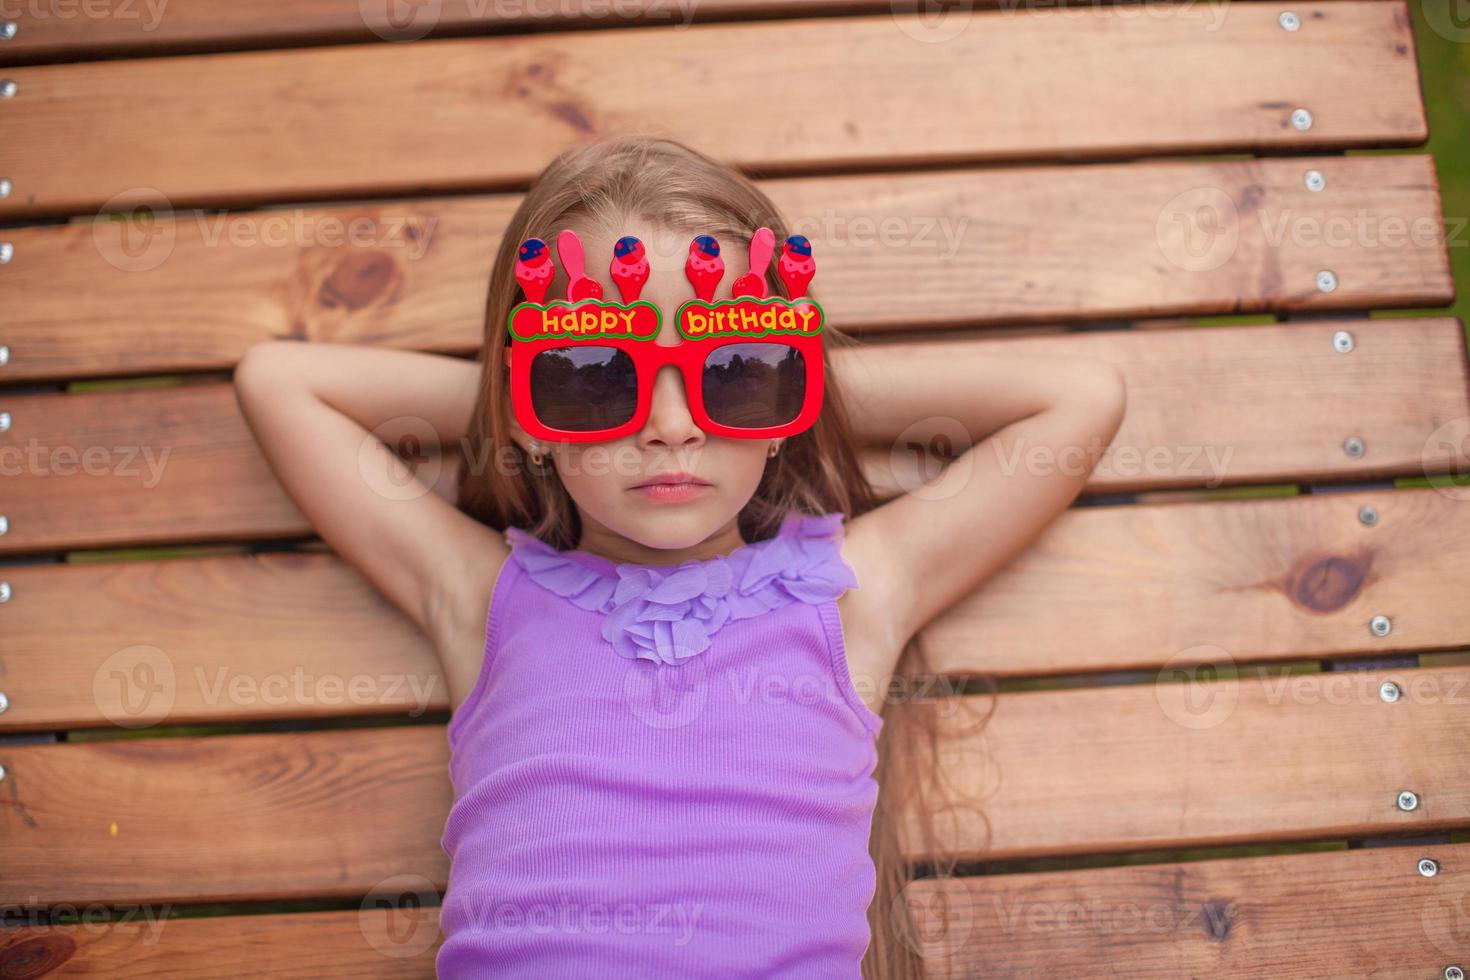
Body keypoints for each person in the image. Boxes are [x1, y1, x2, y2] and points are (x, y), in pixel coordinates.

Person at [233, 134, 1126, 979]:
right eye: (590, 373)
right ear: (524, 409)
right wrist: (535, 392)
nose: (670, 427)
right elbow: (280, 384)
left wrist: (786, 381)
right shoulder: (481, 596)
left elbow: (1077, 398)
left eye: (735, 370)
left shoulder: (853, 593)